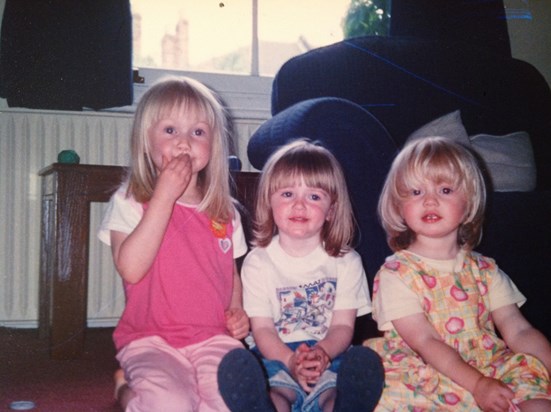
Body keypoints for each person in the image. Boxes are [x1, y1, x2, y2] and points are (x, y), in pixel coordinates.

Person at [364, 136, 551, 411]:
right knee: (388, 394)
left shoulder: (485, 270)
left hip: (489, 366)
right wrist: (477, 385)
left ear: (469, 203)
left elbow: (518, 329)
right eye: (416, 192)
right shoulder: (397, 274)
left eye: (445, 190)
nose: (429, 201)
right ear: (398, 206)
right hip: (429, 373)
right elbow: (425, 342)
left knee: (536, 395)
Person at [98, 76, 250, 412]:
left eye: (198, 132)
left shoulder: (225, 213)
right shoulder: (129, 201)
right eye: (170, 130)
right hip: (151, 340)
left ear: (213, 146)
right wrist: (163, 196)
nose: (184, 143)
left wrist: (237, 311)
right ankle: (125, 391)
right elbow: (131, 269)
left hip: (213, 337)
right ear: (145, 141)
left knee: (232, 402)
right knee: (170, 404)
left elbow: (230, 272)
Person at [218, 140, 384, 412]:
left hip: (329, 353)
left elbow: (342, 327)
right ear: (269, 202)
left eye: (314, 196)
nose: (299, 205)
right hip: (276, 354)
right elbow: (262, 330)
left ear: (331, 210)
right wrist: (291, 360)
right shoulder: (258, 262)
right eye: (287, 194)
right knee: (278, 393)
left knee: (336, 388)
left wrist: (323, 353)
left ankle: (345, 406)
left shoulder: (347, 263)